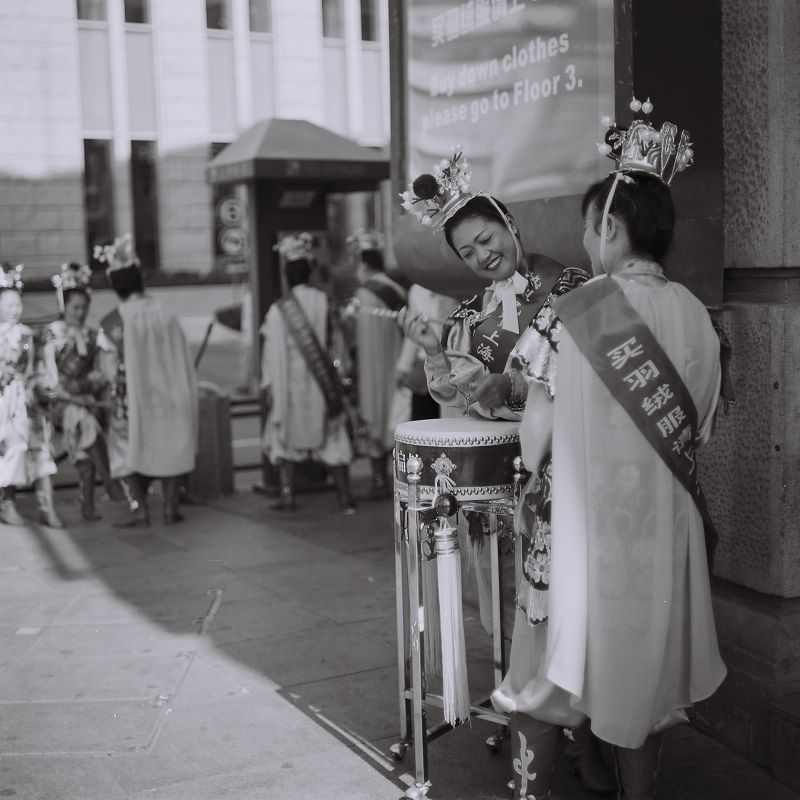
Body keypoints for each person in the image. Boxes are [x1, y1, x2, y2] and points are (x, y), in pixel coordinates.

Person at [493, 101, 728, 800]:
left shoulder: (582, 310)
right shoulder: (694, 314)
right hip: (662, 529)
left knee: (573, 662)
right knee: (644, 671)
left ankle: (560, 776)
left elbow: (536, 422)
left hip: (584, 529)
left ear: (612, 228)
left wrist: (524, 464)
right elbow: (704, 420)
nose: (588, 244)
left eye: (590, 229)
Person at [400, 152, 614, 794]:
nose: (483, 254)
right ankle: (540, 718)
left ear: (510, 225)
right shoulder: (466, 320)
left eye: (487, 237)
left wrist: (511, 386)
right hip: (503, 486)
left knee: (580, 610)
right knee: (520, 614)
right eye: (468, 251)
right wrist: (437, 354)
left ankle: (587, 727)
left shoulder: (573, 289)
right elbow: (454, 405)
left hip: (569, 473)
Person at [95, 235, 198, 526]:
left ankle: (139, 507)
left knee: (124, 450)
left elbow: (108, 367)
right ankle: (169, 506)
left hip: (132, 399)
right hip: (171, 393)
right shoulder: (165, 312)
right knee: (170, 446)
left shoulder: (115, 321)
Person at [261, 233, 355, 514]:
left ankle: (288, 495)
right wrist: (343, 374)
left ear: (288, 276)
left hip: (290, 386)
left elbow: (270, 353)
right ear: (310, 272)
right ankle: (344, 495)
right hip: (322, 386)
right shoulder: (325, 302)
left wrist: (269, 384)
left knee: (285, 441)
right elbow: (337, 344)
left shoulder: (279, 311)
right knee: (334, 440)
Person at [42, 262, 118, 520]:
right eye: (75, 307)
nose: (81, 312)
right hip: (58, 403)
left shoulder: (93, 335)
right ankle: (111, 480)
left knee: (86, 442)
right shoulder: (51, 335)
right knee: (84, 420)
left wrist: (86, 386)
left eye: (85, 307)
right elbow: (46, 376)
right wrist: (66, 388)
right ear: (64, 306)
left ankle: (88, 504)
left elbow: (104, 373)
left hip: (86, 401)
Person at [0, 263, 63, 527]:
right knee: (11, 448)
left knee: (40, 449)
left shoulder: (27, 335)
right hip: (5, 402)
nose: (15, 309)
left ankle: (46, 505)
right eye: (9, 304)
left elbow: (36, 366)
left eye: (18, 304)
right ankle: (7, 503)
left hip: (27, 400)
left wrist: (40, 385)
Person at [349, 230, 407, 497]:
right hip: (397, 365)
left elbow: (349, 332)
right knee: (396, 416)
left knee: (374, 414)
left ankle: (378, 480)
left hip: (371, 369)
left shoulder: (363, 293)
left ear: (362, 263)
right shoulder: (397, 289)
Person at [395, 284, 458, 421]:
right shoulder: (417, 291)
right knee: (422, 421)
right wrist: (403, 367)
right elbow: (413, 334)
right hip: (424, 365)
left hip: (456, 366)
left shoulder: (459, 286)